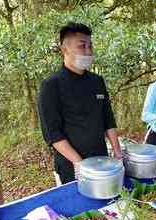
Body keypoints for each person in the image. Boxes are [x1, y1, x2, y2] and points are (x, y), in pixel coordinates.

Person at [38, 22, 122, 184]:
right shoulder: (51, 85)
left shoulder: (97, 81)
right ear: (65, 49)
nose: (88, 51)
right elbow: (52, 134)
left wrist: (118, 153)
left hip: (101, 159)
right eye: (82, 46)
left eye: (90, 46)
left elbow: (108, 119)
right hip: (72, 166)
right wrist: (80, 163)